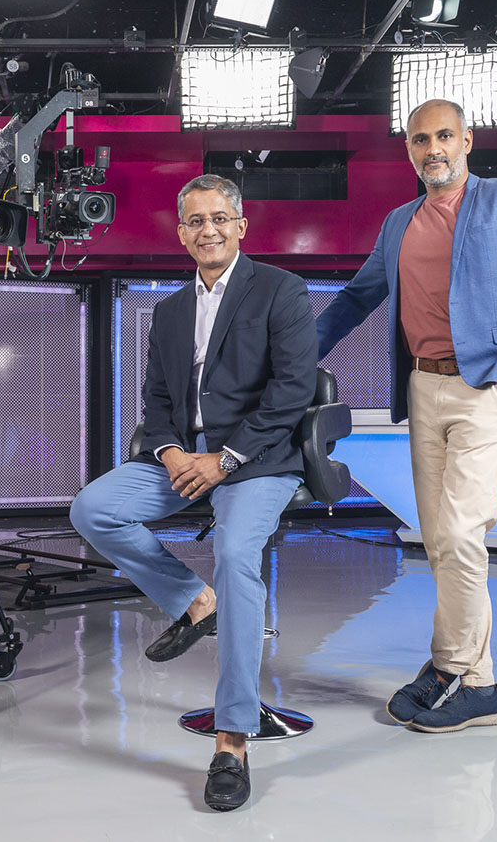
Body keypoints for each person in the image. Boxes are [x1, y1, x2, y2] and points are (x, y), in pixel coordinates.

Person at [316, 99, 497, 733]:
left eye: (444, 136)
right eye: (420, 139)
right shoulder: (399, 221)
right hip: (423, 391)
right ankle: (459, 675)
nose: (433, 148)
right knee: (441, 542)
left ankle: (465, 676)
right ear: (408, 149)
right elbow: (356, 299)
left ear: (467, 140)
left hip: (488, 390)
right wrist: (295, 358)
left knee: (459, 534)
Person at [71, 174, 317, 810]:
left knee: (237, 555)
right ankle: (193, 601)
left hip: (256, 462)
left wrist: (225, 458)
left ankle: (232, 737)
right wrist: (174, 452)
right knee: (93, 508)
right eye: (195, 221)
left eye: (219, 219)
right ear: (181, 233)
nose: (207, 230)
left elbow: (292, 392)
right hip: (185, 460)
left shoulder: (282, 291)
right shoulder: (169, 310)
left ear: (241, 226)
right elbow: (155, 401)